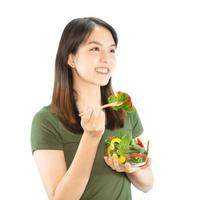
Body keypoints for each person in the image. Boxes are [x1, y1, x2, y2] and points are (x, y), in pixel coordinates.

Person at [31, 17, 153, 200]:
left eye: (111, 50)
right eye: (95, 48)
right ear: (71, 58)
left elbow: (148, 183)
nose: (107, 59)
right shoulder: (46, 121)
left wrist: (131, 167)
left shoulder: (126, 111)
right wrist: (90, 137)